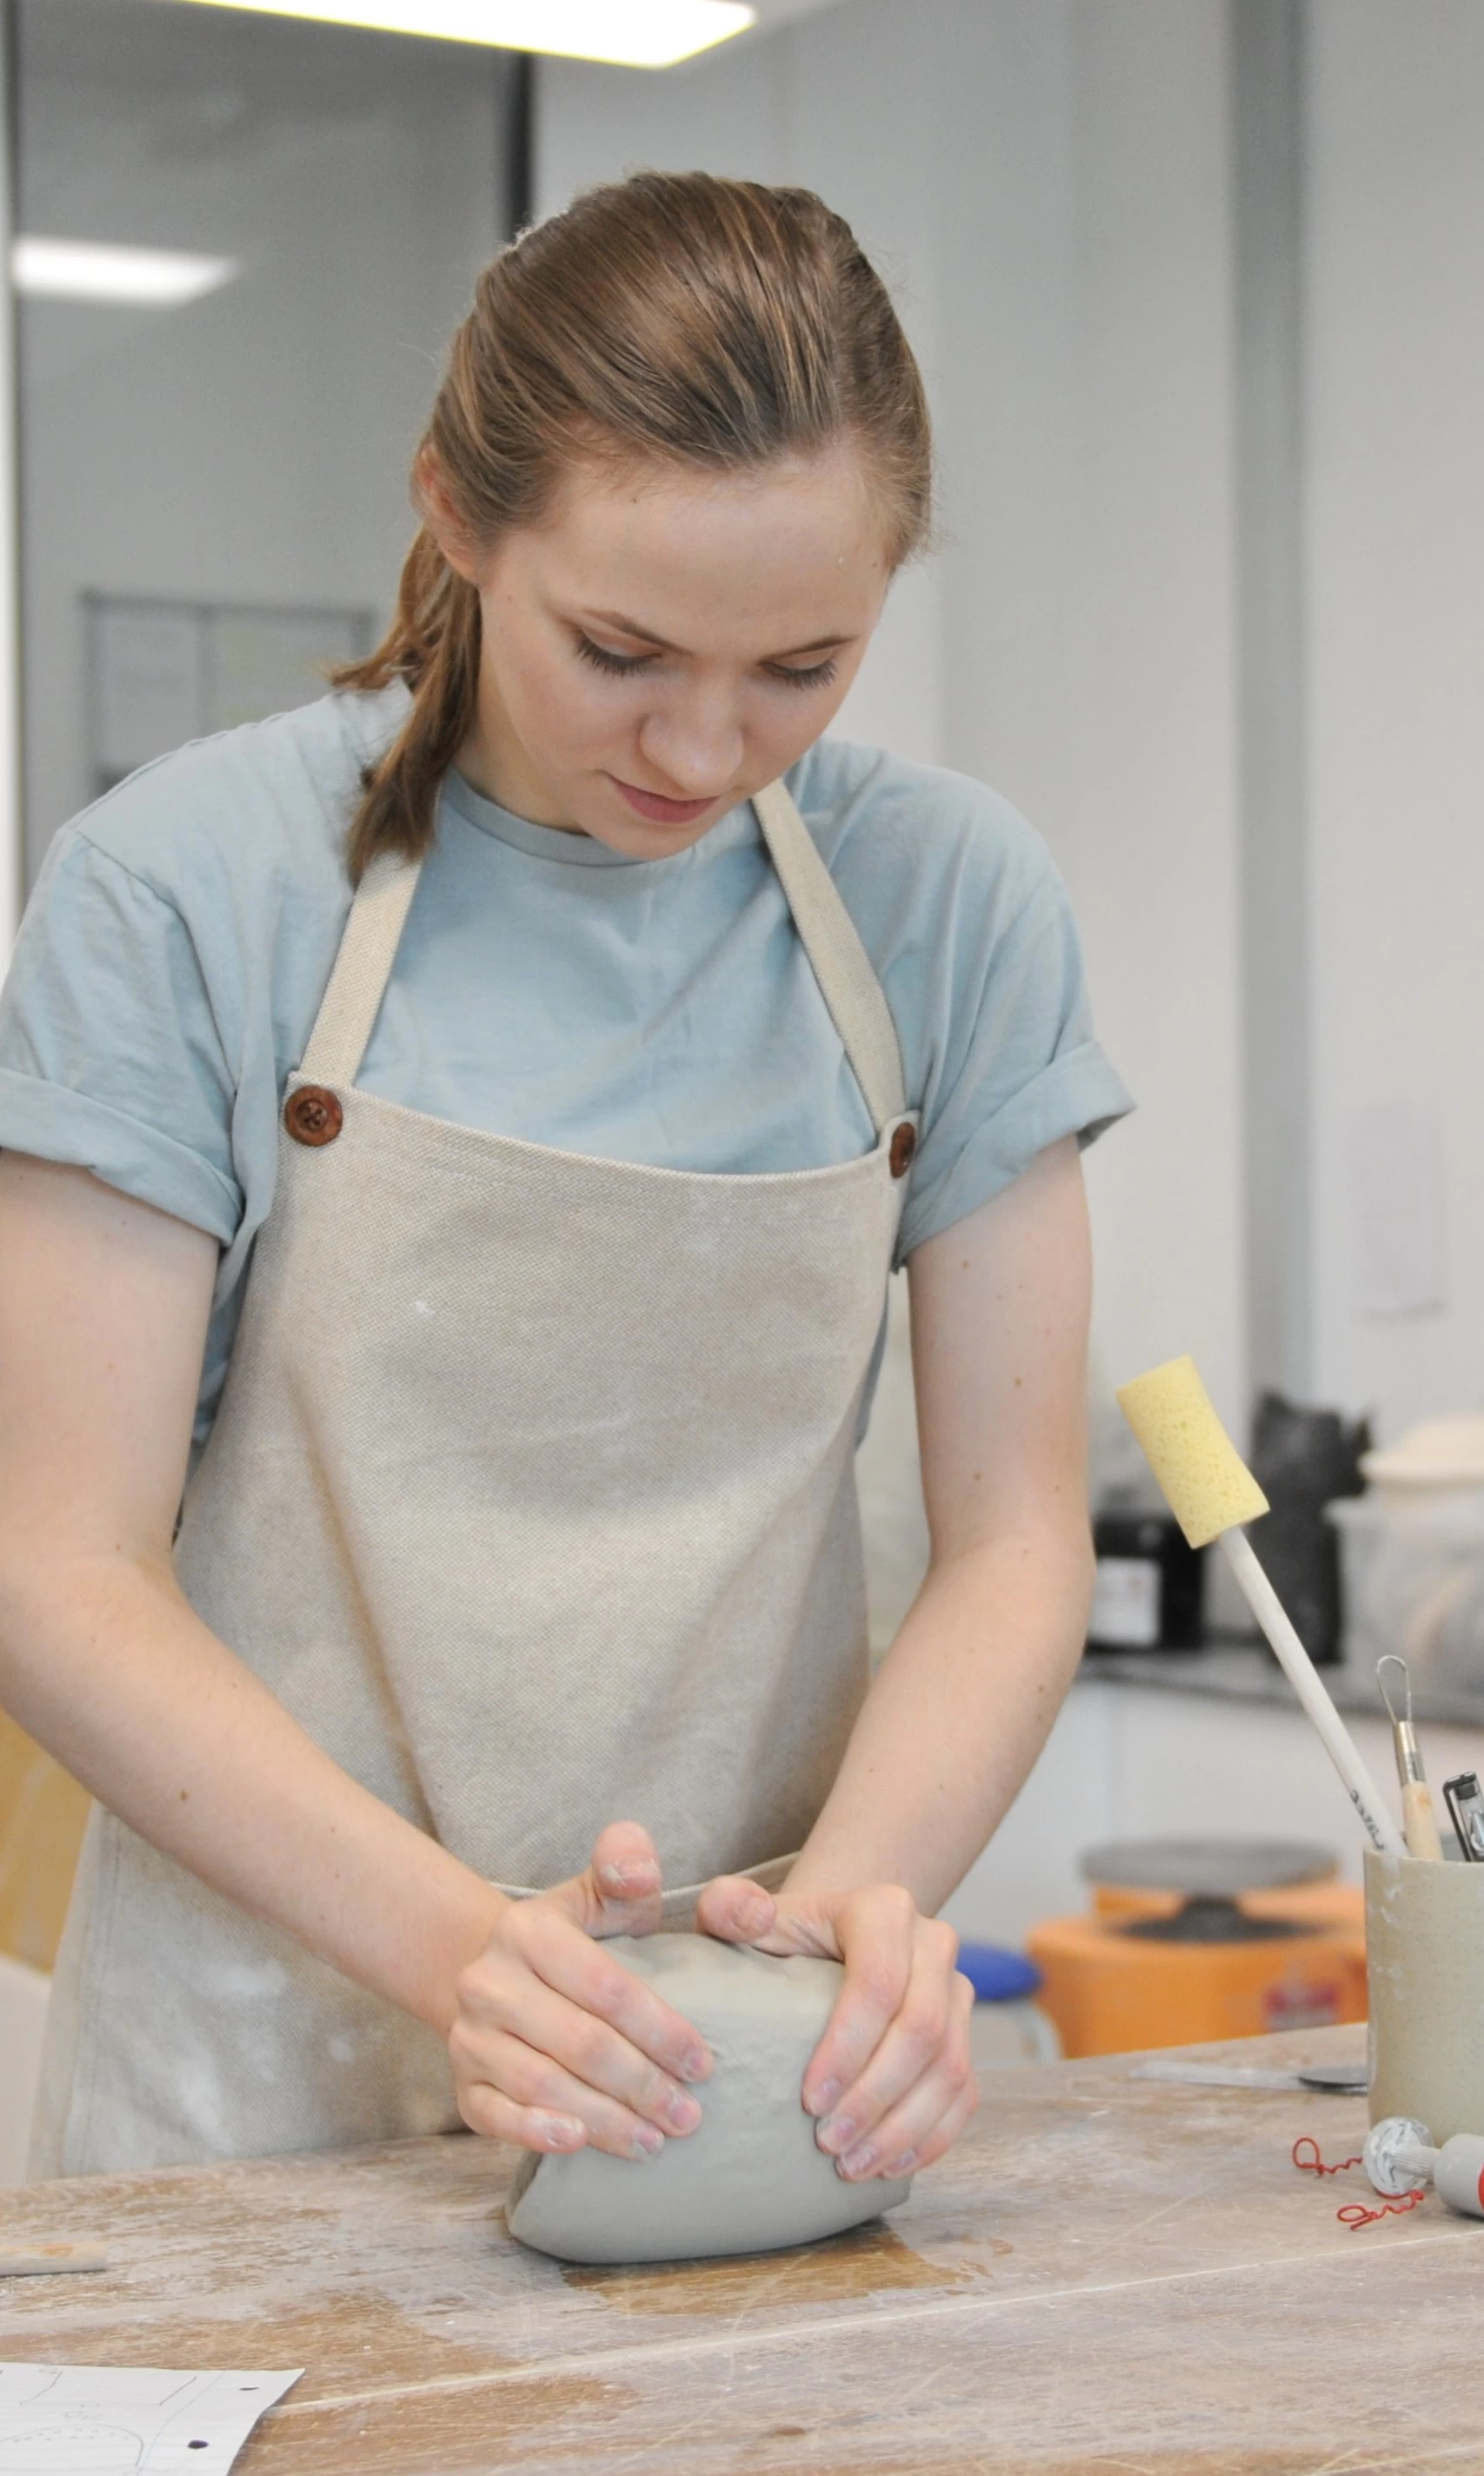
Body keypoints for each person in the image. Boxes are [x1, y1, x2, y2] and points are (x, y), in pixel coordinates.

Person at [0, 172, 1130, 2186]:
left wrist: (846, 1939)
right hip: (258, 2090)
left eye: (804, 666)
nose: (704, 746)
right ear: (456, 509)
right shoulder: (183, 888)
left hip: (726, 2071)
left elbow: (1014, 1535)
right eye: (622, 647)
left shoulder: (946, 904)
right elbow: (55, 1565)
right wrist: (469, 1953)